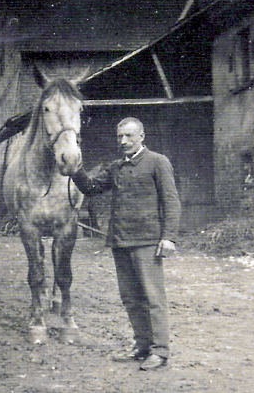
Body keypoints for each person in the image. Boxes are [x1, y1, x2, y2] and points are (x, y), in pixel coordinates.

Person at [71, 117, 181, 371]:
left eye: (129, 136)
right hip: (121, 240)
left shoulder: (157, 161)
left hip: (148, 241)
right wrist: (74, 167)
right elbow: (90, 187)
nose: (123, 141)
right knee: (130, 298)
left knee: (153, 297)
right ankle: (142, 346)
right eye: (120, 136)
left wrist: (169, 237)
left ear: (142, 136)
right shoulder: (116, 167)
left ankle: (160, 351)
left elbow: (171, 201)